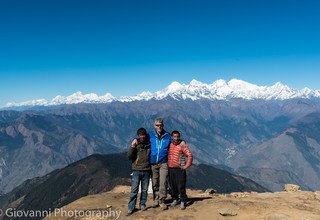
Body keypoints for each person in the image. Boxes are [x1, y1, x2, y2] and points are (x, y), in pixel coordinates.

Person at [132, 118, 171, 210]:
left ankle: (162, 201)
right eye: (157, 125)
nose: (159, 126)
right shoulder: (150, 135)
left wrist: (182, 142)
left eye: (160, 125)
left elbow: (175, 142)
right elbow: (142, 138)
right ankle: (156, 199)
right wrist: (135, 140)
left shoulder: (168, 136)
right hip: (152, 163)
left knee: (163, 182)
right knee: (155, 182)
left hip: (163, 162)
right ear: (154, 126)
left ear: (163, 125)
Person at [127, 128, 151, 215]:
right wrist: (132, 146)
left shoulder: (149, 144)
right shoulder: (136, 144)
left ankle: (142, 204)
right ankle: (131, 207)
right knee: (134, 190)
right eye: (141, 135)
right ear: (138, 135)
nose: (142, 136)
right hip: (136, 170)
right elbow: (129, 156)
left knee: (144, 190)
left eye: (143, 134)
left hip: (147, 170)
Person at [168, 130, 193, 210]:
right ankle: (175, 198)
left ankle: (183, 200)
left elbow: (190, 155)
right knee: (172, 186)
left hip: (180, 169)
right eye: (174, 137)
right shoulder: (170, 144)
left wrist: (186, 166)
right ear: (172, 137)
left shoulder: (182, 145)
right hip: (171, 168)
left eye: (178, 136)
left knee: (181, 186)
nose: (176, 138)